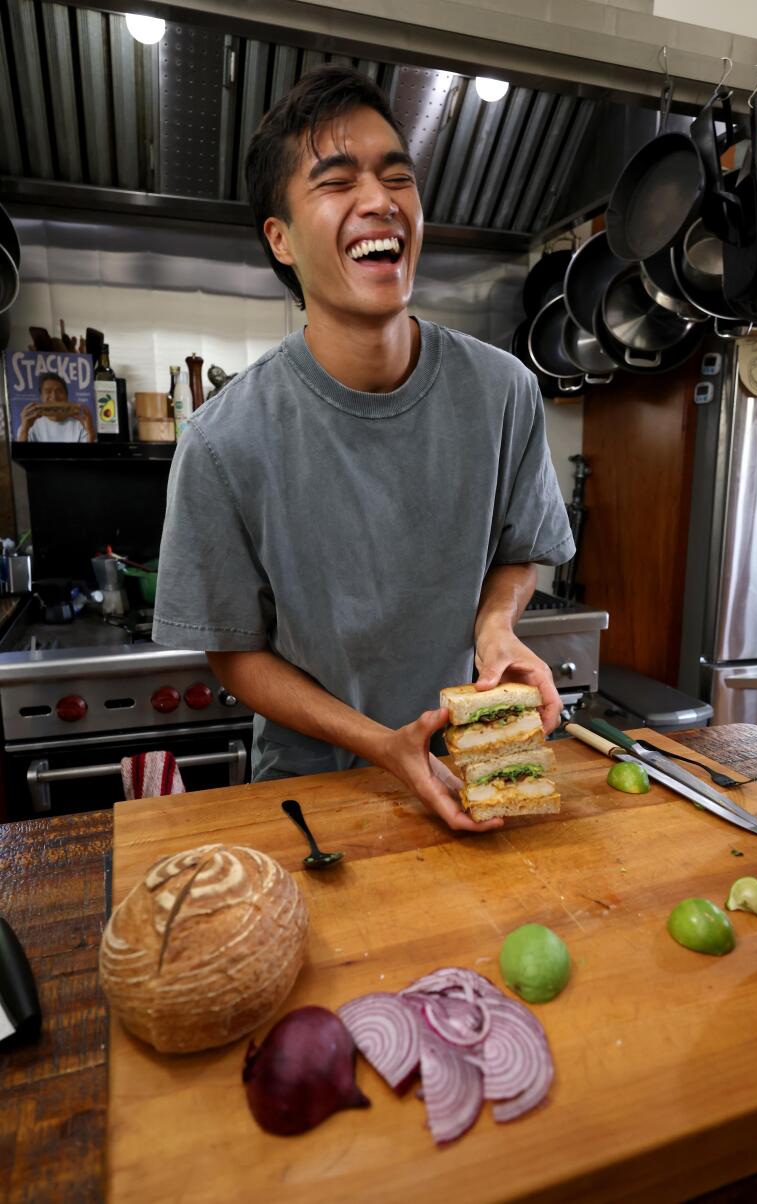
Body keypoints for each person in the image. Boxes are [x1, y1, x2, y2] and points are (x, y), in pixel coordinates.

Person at [152, 66, 575, 832]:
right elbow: (233, 653)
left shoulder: (504, 391)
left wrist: (496, 627)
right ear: (279, 239)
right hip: (314, 796)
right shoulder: (223, 441)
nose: (380, 201)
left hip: (468, 764)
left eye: (397, 176)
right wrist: (383, 746)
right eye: (337, 182)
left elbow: (521, 548)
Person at [16, 373, 95, 442]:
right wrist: (24, 430)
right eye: (48, 391)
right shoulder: (29, 425)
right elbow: (20, 457)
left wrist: (90, 431)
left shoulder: (80, 424)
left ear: (66, 397)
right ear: (41, 397)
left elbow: (89, 458)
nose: (54, 397)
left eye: (59, 391)